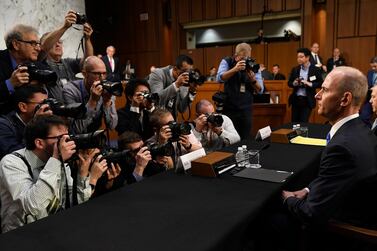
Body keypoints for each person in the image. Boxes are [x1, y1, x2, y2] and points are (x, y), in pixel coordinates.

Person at [257, 66, 377, 251]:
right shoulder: (362, 130)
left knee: (265, 218)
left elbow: (311, 214)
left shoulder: (341, 147)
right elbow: (339, 179)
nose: (317, 95)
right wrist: (307, 189)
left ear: (345, 99)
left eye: (325, 90)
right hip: (357, 207)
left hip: (342, 232)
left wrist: (284, 197)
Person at [0, 115, 108, 233]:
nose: (67, 142)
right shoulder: (11, 163)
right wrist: (55, 160)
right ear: (40, 143)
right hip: (21, 236)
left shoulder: (59, 161)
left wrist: (83, 175)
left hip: (53, 229)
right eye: (61, 138)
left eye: (68, 137)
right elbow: (33, 205)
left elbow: (74, 203)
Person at [40, 10, 94, 102]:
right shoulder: (42, 64)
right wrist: (65, 27)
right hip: (55, 111)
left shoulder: (68, 62)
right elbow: (44, 46)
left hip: (75, 107)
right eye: (54, 42)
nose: (58, 45)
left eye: (60, 42)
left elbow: (88, 61)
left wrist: (87, 39)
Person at [216, 42, 264, 140]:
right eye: (243, 58)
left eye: (247, 58)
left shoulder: (253, 66)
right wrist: (235, 69)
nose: (245, 61)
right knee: (229, 139)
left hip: (246, 110)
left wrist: (253, 80)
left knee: (245, 138)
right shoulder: (227, 61)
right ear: (236, 56)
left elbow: (260, 90)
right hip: (229, 108)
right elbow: (219, 78)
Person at [62, 56, 118, 134]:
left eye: (104, 73)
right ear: (85, 74)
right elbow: (75, 129)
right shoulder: (71, 90)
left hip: (96, 138)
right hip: (76, 141)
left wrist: (107, 102)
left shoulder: (107, 88)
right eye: (97, 74)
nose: (102, 78)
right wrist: (93, 102)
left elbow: (112, 126)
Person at [0, 24, 43, 115]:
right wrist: (10, 84)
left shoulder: (36, 65)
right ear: (16, 44)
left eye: (39, 44)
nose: (38, 48)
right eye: (33, 43)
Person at [0, 86, 52, 160]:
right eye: (41, 103)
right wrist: (35, 124)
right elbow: (15, 156)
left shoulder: (45, 122)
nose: (46, 107)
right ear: (23, 107)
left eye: (47, 103)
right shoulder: (3, 125)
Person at [148, 54, 198, 120]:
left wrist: (191, 92)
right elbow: (156, 99)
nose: (187, 74)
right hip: (157, 119)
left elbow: (182, 109)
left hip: (172, 120)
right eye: (185, 71)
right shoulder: (157, 74)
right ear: (175, 68)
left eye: (189, 71)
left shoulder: (185, 80)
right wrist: (176, 84)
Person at [288, 47, 323, 122]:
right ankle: (295, 134)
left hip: (307, 100)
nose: (299, 59)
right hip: (296, 100)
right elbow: (289, 83)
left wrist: (310, 84)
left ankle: (302, 134)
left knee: (303, 122)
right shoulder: (295, 69)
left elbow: (321, 83)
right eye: (298, 57)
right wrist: (294, 83)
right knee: (294, 123)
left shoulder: (315, 69)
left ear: (307, 57)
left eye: (301, 57)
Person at [360, 56, 377, 126]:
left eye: (375, 66)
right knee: (363, 116)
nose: (373, 69)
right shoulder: (370, 73)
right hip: (370, 98)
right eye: (372, 67)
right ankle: (369, 133)